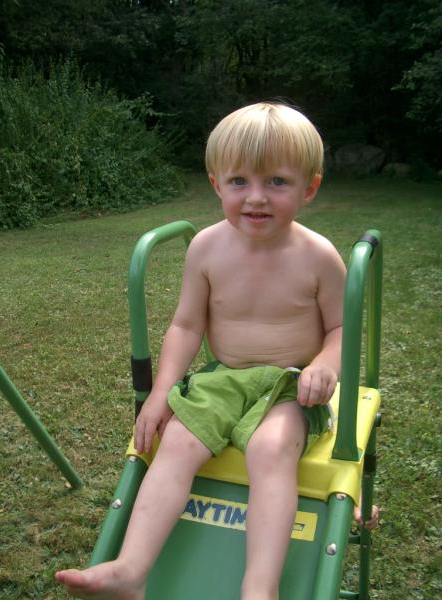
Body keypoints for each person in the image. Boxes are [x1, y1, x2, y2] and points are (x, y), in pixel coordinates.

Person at [55, 102, 372, 600]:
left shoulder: (318, 256)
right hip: (222, 378)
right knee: (178, 441)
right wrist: (160, 392)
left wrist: (323, 366)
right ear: (216, 184)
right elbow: (186, 326)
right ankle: (131, 571)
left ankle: (259, 589)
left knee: (271, 449)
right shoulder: (205, 248)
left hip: (290, 387)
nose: (256, 197)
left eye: (277, 182)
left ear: (308, 188)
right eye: (239, 181)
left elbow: (341, 329)